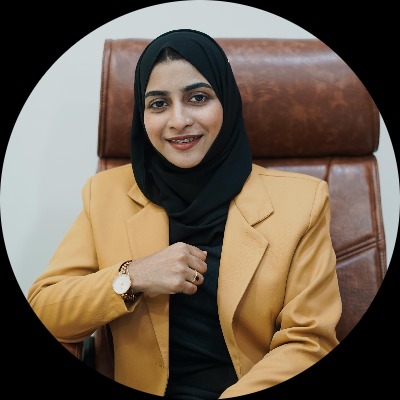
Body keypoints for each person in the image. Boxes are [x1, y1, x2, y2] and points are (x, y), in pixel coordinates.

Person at [28, 29, 342, 399]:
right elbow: (46, 310)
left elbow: (309, 341)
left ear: (226, 101)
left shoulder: (301, 202)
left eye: (198, 98)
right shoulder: (106, 194)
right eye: (158, 104)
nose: (178, 120)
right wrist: (133, 276)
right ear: (142, 115)